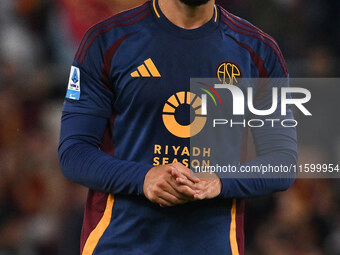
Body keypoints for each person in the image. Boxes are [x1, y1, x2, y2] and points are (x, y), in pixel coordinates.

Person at [58, 0, 297, 254]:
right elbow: (74, 152)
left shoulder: (258, 51)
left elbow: (283, 161)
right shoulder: (106, 41)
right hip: (120, 245)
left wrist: (220, 181)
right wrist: (144, 178)